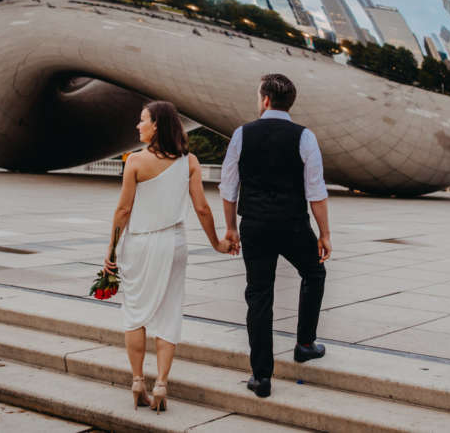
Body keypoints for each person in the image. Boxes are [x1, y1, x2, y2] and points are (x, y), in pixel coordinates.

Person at [103, 101, 236, 413]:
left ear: (156, 126)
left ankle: (138, 381)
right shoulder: (189, 162)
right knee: (169, 313)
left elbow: (123, 210)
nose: (138, 126)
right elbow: (202, 208)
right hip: (173, 242)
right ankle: (161, 384)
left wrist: (110, 251)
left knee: (135, 314)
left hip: (139, 244)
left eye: (142, 121)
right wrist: (217, 242)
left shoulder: (134, 162)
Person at [220, 73, 331, 398]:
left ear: (265, 99)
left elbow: (228, 188)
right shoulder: (304, 137)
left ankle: (261, 376)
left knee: (259, 294)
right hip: (292, 224)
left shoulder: (243, 134)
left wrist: (230, 228)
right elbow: (316, 192)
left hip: (254, 225)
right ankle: (305, 344)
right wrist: (324, 234)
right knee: (314, 272)